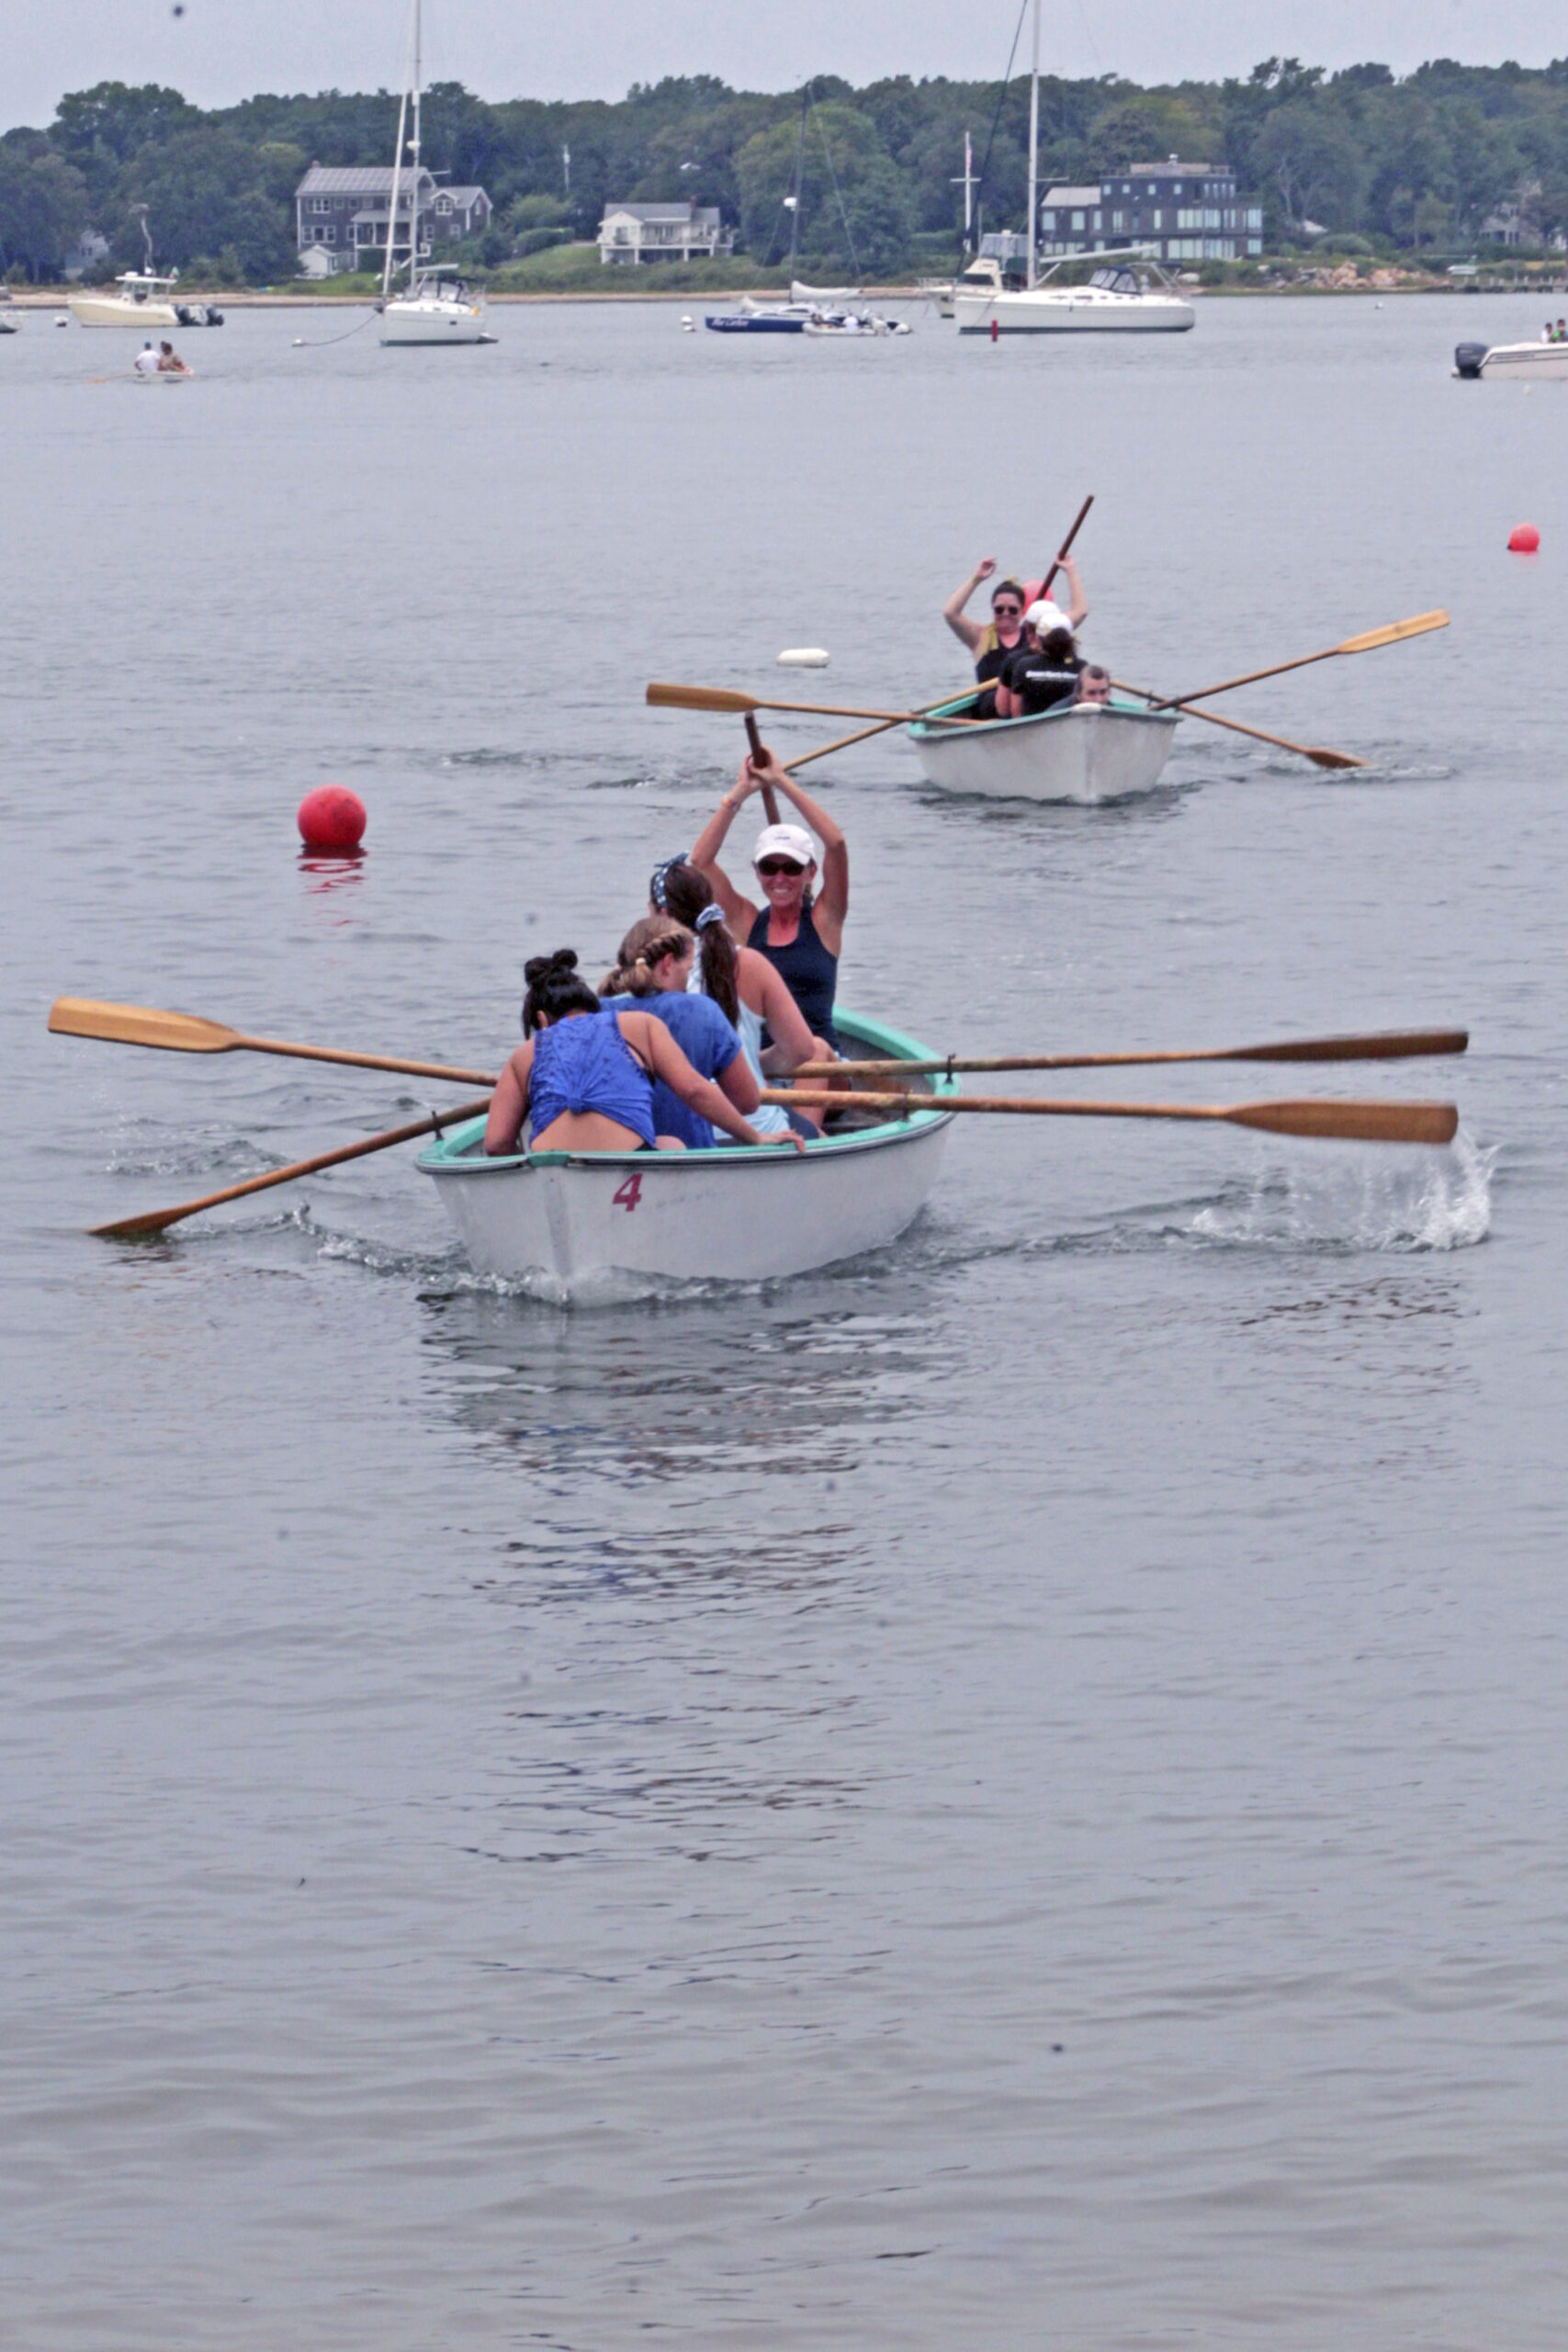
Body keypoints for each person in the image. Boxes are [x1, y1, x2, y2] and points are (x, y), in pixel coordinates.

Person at [483, 947, 781, 1157]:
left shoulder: (525, 1054)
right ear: (594, 1007)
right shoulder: (640, 1026)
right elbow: (694, 1090)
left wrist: (523, 1172)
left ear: (541, 1020)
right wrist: (754, 1138)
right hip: (629, 1160)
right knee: (672, 1145)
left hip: (551, 1169)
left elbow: (496, 1143)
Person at [690, 748, 848, 1057]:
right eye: (768, 868)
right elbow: (700, 862)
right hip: (764, 1064)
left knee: (814, 1048)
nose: (779, 878)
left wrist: (780, 781)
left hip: (822, 1065)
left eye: (791, 868)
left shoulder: (825, 920)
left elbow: (836, 844)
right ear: (757, 871)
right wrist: (742, 790)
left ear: (810, 872)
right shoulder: (748, 922)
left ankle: (797, 1109)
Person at [649, 855, 824, 1135]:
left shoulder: (639, 971)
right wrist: (745, 1064)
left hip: (678, 1134)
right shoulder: (751, 963)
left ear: (661, 913)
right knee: (815, 1134)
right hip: (757, 1124)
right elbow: (802, 1049)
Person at [598, 915, 760, 1148]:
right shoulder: (703, 1012)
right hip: (691, 1159)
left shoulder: (595, 1013)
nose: (687, 981)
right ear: (667, 963)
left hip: (616, 1161)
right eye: (688, 969)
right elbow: (747, 1102)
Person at [995, 609, 1085, 719]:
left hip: (1031, 731)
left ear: (1038, 639)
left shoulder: (1024, 665)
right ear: (1071, 640)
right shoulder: (1082, 668)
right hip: (1069, 728)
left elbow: (1014, 714)